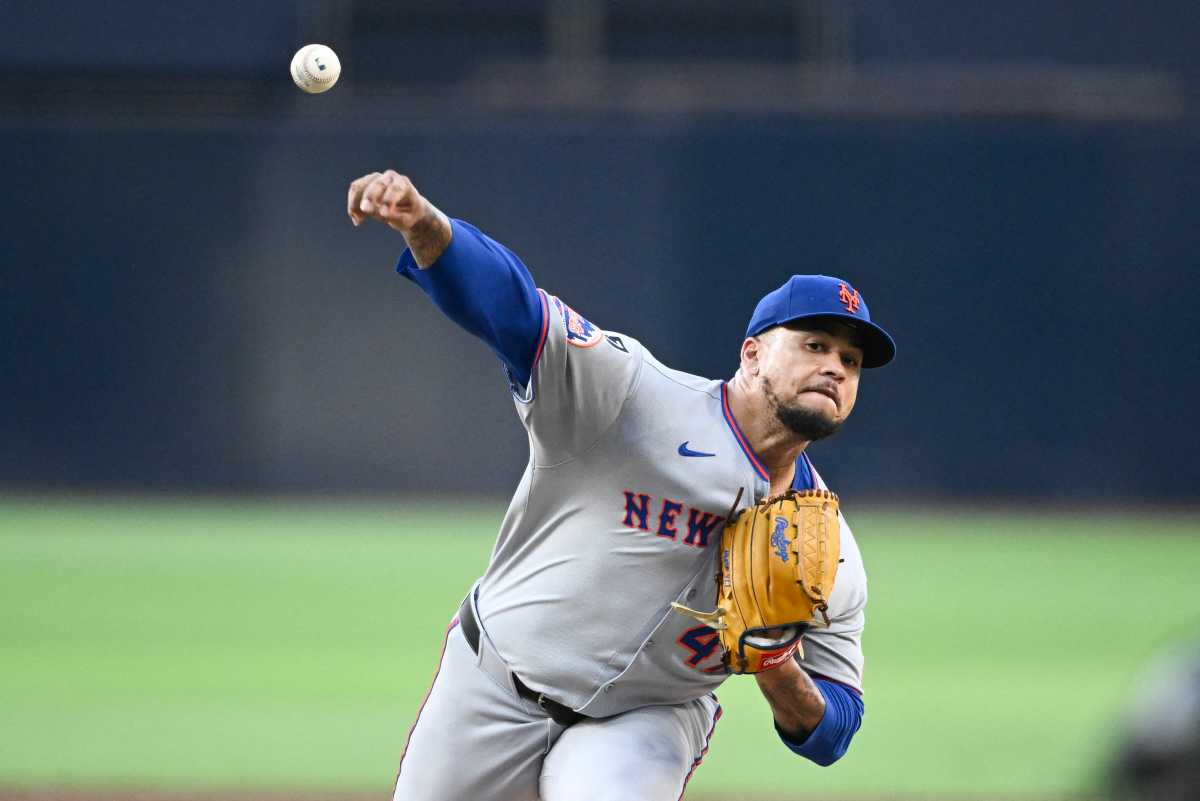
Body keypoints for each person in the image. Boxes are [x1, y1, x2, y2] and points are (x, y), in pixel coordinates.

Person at [346, 170, 897, 801]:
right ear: (751, 354)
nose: (833, 366)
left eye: (850, 362)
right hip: (496, 681)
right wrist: (426, 226)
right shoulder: (634, 394)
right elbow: (514, 312)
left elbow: (834, 731)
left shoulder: (831, 556)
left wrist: (775, 663)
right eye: (814, 344)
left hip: (648, 719)